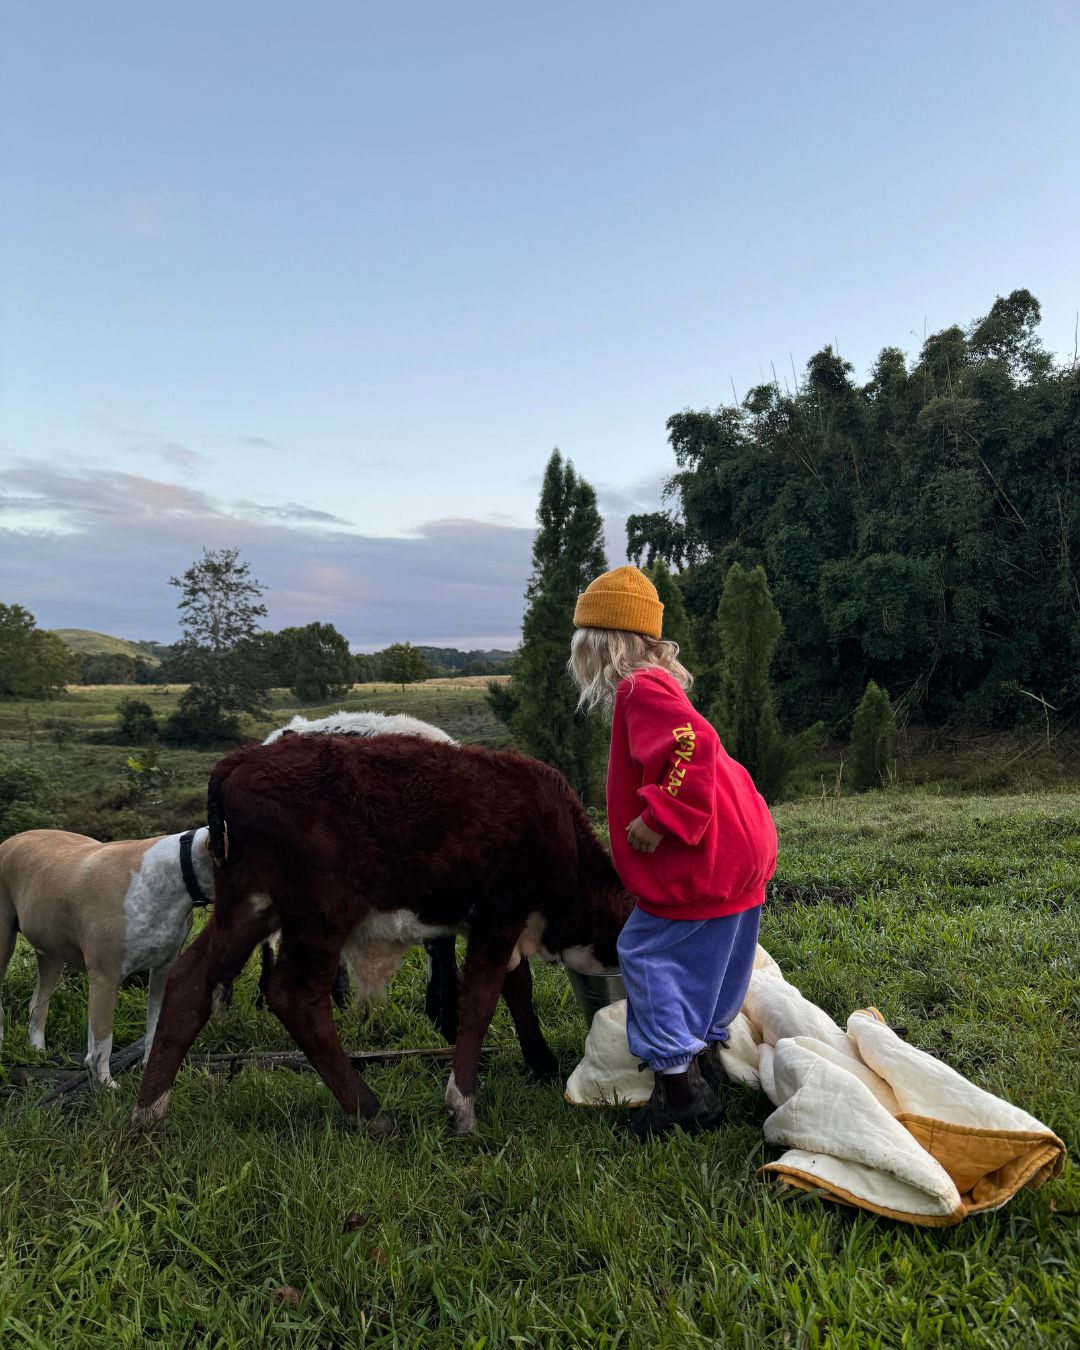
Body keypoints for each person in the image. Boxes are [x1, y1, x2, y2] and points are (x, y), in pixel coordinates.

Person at [569, 565, 778, 1140]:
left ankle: (681, 1092)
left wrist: (661, 816)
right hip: (739, 847)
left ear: (601, 642)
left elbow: (692, 744)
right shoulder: (659, 680)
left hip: (703, 855)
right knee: (715, 958)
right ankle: (705, 1064)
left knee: (643, 953)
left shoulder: (638, 688)